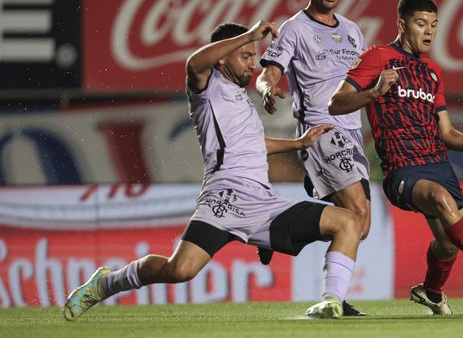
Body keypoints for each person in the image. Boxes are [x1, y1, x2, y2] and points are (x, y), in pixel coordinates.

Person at [63, 21, 362, 321]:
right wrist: (248, 35)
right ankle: (105, 284)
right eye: (245, 55)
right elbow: (194, 63)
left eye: (252, 56)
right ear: (223, 56)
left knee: (348, 222)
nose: (252, 63)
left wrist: (298, 143)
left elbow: (251, 144)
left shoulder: (242, 99)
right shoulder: (207, 87)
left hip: (262, 203)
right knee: (179, 269)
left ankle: (331, 302)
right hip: (223, 198)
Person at [328, 0, 463, 315]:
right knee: (440, 199)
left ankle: (432, 291)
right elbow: (336, 103)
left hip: (438, 165)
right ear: (402, 25)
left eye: (434, 25)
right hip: (403, 170)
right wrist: (374, 93)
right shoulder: (377, 57)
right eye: (421, 24)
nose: (429, 31)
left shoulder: (432, 72)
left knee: (447, 243)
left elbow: (446, 133)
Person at [256, 0, 370, 316]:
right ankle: (331, 299)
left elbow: (361, 82)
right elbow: (270, 71)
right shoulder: (295, 28)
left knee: (358, 226)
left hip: (352, 134)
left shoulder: (353, 31)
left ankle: (279, 226)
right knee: (358, 210)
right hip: (321, 129)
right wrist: (265, 87)